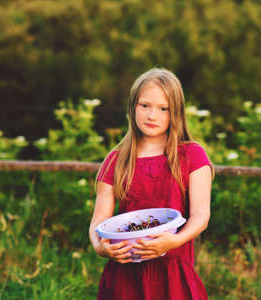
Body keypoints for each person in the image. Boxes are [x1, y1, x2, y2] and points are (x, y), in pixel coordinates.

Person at [89, 67, 213, 300]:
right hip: (124, 279)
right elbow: (98, 223)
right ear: (132, 107)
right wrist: (101, 248)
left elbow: (200, 216)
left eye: (163, 108)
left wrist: (173, 241)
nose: (152, 116)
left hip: (173, 277)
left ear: (175, 112)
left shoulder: (192, 156)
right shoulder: (115, 161)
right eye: (144, 105)